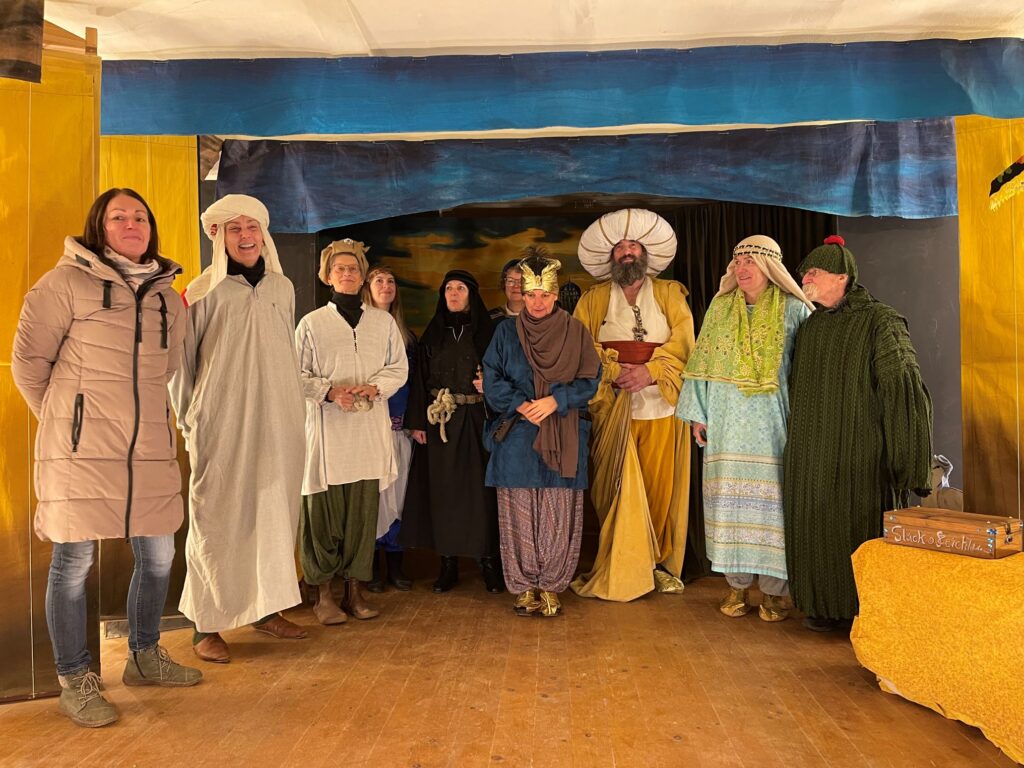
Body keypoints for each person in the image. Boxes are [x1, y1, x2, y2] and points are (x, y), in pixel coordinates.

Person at [12, 188, 202, 728]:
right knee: (73, 563)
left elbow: (166, 369)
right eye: (118, 216)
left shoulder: (168, 298)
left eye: (140, 216)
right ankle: (75, 678)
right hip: (80, 451)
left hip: (149, 449)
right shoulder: (64, 283)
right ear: (99, 227)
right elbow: (28, 365)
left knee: (159, 554)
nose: (131, 223)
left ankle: (144, 656)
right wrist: (69, 424)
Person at [170, 194, 308, 663]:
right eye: (235, 228)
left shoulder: (282, 288)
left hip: (278, 423)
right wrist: (190, 420)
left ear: (264, 235)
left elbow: (284, 354)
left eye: (252, 227)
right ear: (220, 237)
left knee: (272, 515)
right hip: (221, 422)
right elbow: (181, 366)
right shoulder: (201, 292)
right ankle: (205, 626)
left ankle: (266, 609)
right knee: (217, 518)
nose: (245, 236)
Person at [784, 235, 933, 631]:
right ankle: (821, 607)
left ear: (842, 276)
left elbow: (903, 389)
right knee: (814, 530)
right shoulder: (811, 328)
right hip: (811, 457)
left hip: (861, 456)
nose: (805, 278)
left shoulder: (881, 321)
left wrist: (909, 461)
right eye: (804, 272)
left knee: (856, 528)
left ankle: (862, 614)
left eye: (814, 271)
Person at [677, 235, 813, 622]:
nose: (741, 268)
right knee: (728, 506)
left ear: (770, 267)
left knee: (773, 512)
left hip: (773, 429)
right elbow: (700, 363)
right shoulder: (719, 308)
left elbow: (808, 372)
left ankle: (774, 593)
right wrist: (698, 415)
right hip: (726, 426)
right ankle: (736, 586)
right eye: (737, 261)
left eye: (750, 261)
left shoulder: (794, 310)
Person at [570, 208, 695, 602]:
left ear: (645, 253)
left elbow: (686, 344)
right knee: (614, 486)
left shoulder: (670, 294)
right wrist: (612, 370)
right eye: (620, 247)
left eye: (633, 246)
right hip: (612, 406)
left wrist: (651, 371)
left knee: (658, 487)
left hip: (661, 406)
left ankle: (655, 565)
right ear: (611, 256)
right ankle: (618, 560)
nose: (627, 252)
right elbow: (579, 346)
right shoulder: (592, 299)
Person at [483, 249, 601, 616]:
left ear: (555, 295)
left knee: (558, 511)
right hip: (518, 434)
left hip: (562, 431)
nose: (537, 302)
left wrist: (555, 401)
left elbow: (590, 380)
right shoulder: (505, 332)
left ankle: (551, 586)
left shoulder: (575, 331)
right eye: (531, 295)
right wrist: (521, 404)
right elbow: (492, 377)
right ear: (522, 294)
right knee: (518, 512)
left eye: (545, 295)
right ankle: (523, 587)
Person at [295, 241, 409, 624]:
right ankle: (323, 595)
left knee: (361, 515)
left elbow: (398, 367)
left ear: (362, 276)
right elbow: (294, 373)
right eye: (339, 269)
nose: (347, 274)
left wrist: (376, 387)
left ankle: (354, 592)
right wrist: (329, 392)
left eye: (354, 268)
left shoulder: (382, 323)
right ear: (327, 276)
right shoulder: (312, 324)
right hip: (328, 434)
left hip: (367, 432)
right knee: (323, 516)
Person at [400, 270, 502, 593]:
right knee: (444, 493)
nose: (454, 293)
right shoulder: (432, 336)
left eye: (460, 288)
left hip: (477, 419)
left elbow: (504, 373)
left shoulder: (488, 334)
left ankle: (489, 562)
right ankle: (448, 564)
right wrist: (418, 422)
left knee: (481, 493)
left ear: (472, 294)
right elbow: (419, 380)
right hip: (440, 421)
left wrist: (492, 388)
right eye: (448, 289)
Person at [361, 265, 417, 592]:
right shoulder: (357, 332)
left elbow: (415, 383)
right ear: (367, 288)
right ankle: (369, 565)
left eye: (391, 281)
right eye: (379, 280)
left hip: (398, 429)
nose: (386, 286)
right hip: (367, 428)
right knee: (372, 497)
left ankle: (395, 564)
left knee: (397, 493)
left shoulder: (407, 337)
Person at [489, 258, 525, 322]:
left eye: (521, 281)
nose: (516, 286)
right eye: (510, 281)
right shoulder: (488, 318)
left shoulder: (540, 318)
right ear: (503, 284)